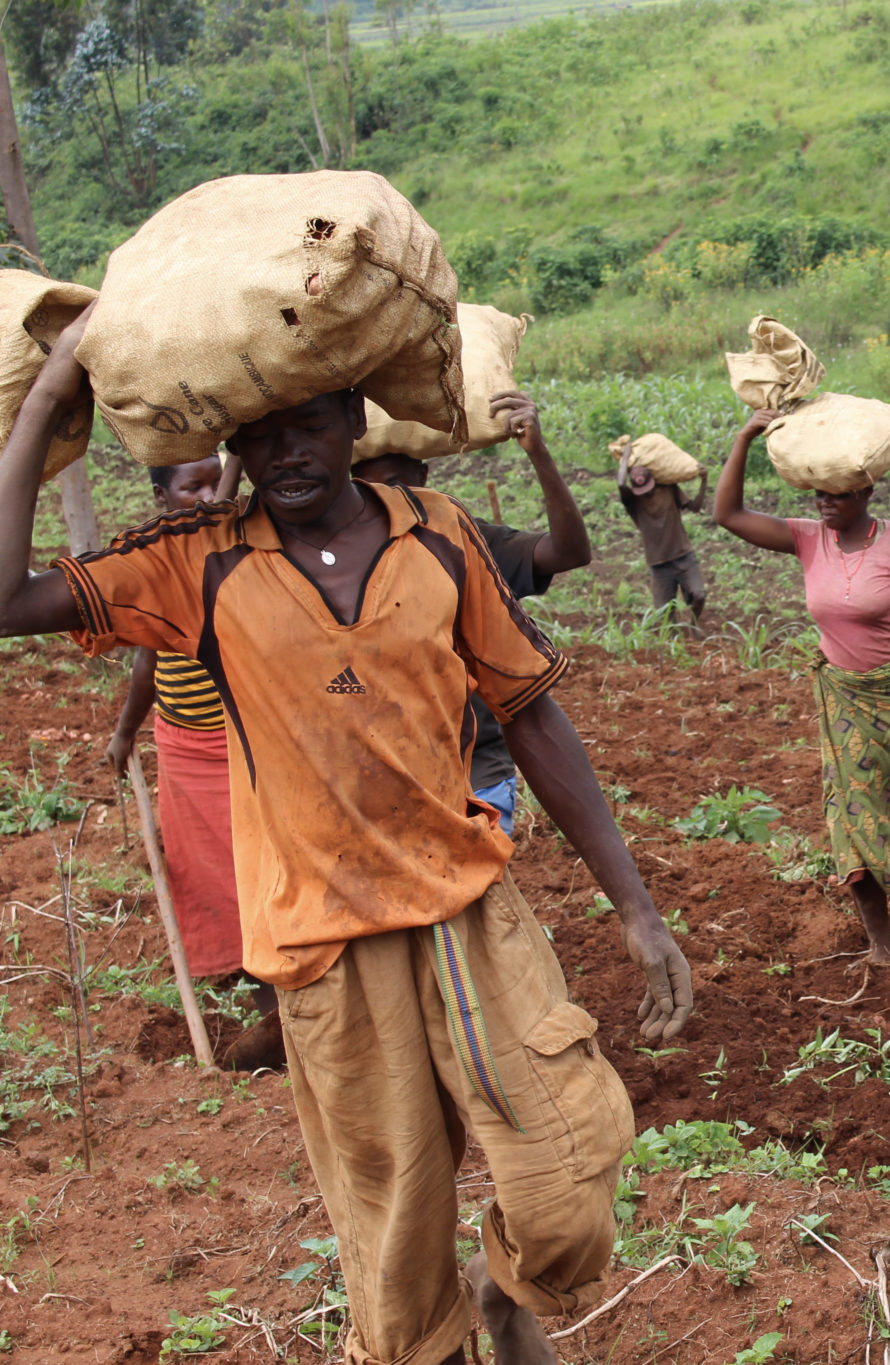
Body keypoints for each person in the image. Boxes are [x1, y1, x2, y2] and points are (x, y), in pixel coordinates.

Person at [0, 308, 692, 1365]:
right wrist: (51, 393)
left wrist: (637, 909)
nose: (284, 454)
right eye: (259, 436)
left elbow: (533, 715)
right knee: (394, 1243)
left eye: (308, 426)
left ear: (350, 421)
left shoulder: (440, 534)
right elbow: (7, 599)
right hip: (324, 945)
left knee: (564, 1185)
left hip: (467, 913)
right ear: (232, 448)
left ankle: (505, 1295)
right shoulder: (198, 561)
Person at [713, 410, 890, 965]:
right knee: (854, 815)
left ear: (866, 491)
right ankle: (880, 943)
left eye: (838, 494)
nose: (825, 502)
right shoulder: (806, 540)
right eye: (819, 493)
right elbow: (726, 514)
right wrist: (747, 435)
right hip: (844, 701)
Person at [106, 454, 285, 1070]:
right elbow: (145, 662)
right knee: (208, 868)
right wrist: (125, 733)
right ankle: (252, 992)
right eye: (192, 486)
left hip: (250, 741)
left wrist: (230, 469)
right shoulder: (160, 564)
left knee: (267, 862)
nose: (209, 494)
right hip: (185, 744)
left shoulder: (243, 543)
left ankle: (281, 997)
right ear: (161, 496)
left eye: (217, 479)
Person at [355, 390, 593, 836]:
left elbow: (569, 551)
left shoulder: (462, 542)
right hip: (388, 774)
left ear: (424, 475)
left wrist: (538, 454)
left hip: (478, 769)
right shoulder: (338, 564)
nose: (389, 501)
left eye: (399, 485)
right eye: (372, 491)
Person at [620, 461, 708, 631]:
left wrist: (704, 481)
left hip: (683, 554)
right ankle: (675, 643)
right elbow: (620, 483)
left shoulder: (669, 489)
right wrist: (625, 457)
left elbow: (695, 507)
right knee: (665, 613)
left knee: (699, 595)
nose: (647, 492)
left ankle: (693, 626)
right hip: (658, 563)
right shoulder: (632, 502)